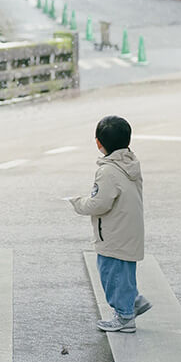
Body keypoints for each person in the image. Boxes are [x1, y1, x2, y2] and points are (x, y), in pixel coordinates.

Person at [67, 115, 150, 333]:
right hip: (129, 230)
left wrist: (78, 203)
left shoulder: (107, 171)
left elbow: (99, 204)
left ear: (98, 142)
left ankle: (124, 316)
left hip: (113, 233)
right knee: (123, 271)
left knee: (110, 273)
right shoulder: (130, 163)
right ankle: (134, 301)